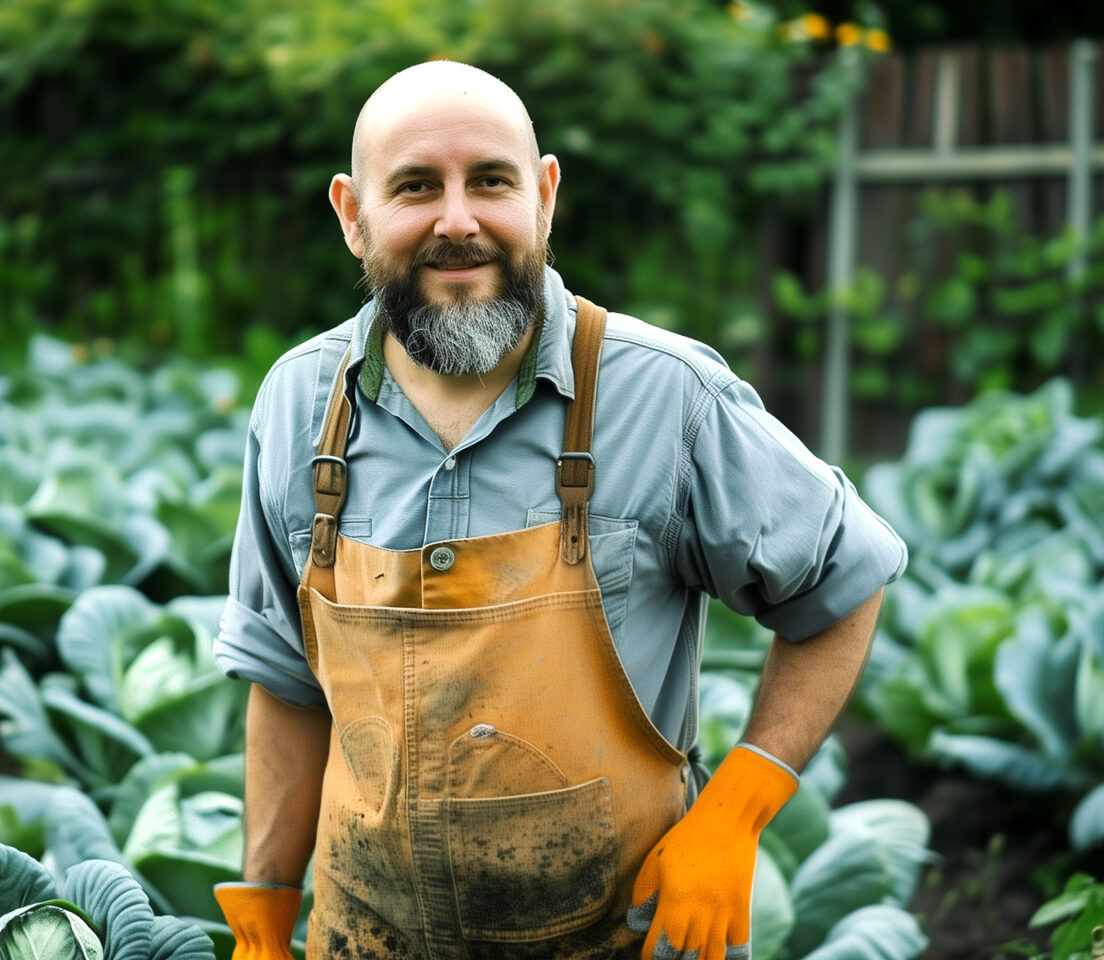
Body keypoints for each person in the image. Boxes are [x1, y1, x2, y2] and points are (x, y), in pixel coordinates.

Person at [212, 60, 906, 960]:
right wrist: (265, 907)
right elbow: (285, 678)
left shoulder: (668, 396)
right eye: (416, 185)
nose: (457, 221)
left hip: (622, 940)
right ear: (353, 214)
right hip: (367, 938)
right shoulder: (299, 404)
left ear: (543, 197)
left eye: (491, 182)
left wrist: (738, 810)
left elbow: (844, 583)